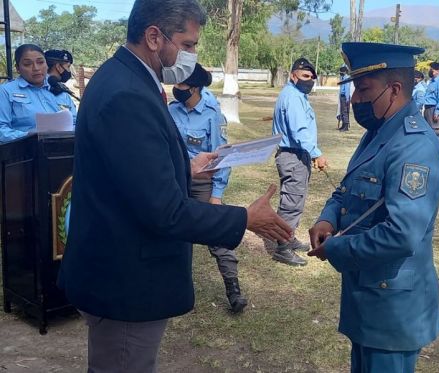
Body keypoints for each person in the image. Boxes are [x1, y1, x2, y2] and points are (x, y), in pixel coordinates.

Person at [57, 1, 292, 372]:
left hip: (121, 273)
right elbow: (163, 211)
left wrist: (184, 167)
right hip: (125, 284)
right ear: (154, 36)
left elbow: (131, 174)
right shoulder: (126, 94)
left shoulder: (127, 79)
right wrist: (243, 218)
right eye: (189, 44)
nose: (193, 55)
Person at [308, 42, 439, 373]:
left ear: (394, 89)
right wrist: (327, 217)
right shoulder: (380, 131)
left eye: (363, 88)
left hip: (393, 308)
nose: (355, 98)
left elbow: (401, 234)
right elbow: (348, 187)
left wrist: (337, 248)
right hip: (368, 295)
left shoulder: (414, 146)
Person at [168, 63, 247, 313]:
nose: (176, 89)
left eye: (181, 85)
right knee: (171, 234)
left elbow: (222, 157)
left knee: (217, 234)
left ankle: (233, 288)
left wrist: (216, 195)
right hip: (176, 181)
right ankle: (171, 287)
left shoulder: (213, 115)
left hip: (202, 183)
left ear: (195, 88)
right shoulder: (170, 111)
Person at [271, 57, 328, 266]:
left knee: (295, 199)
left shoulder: (296, 95)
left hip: (296, 154)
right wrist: (316, 154)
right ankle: (282, 248)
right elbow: (299, 131)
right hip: (293, 154)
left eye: (312, 77)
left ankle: (289, 236)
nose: (309, 80)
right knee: (291, 202)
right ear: (293, 75)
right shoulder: (293, 97)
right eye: (305, 76)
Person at [0, 44, 77, 143]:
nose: (36, 68)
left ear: (46, 65)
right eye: (27, 64)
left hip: (64, 152)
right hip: (25, 153)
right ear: (18, 68)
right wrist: (28, 136)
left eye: (40, 62)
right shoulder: (6, 91)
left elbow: (76, 123)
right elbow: (1, 130)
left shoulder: (61, 91)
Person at [423, 61, 439, 143]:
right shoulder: (432, 81)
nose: (430, 71)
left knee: (435, 131)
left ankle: (437, 151)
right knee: (429, 131)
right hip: (428, 108)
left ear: (438, 71)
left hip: (435, 109)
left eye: (432, 70)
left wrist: (437, 112)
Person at [338, 65, 352, 132]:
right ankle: (343, 125)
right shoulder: (343, 77)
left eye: (341, 72)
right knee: (342, 111)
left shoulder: (346, 78)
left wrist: (347, 99)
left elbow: (347, 90)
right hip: (342, 96)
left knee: (345, 111)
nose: (340, 73)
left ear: (345, 72)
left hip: (345, 97)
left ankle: (346, 126)